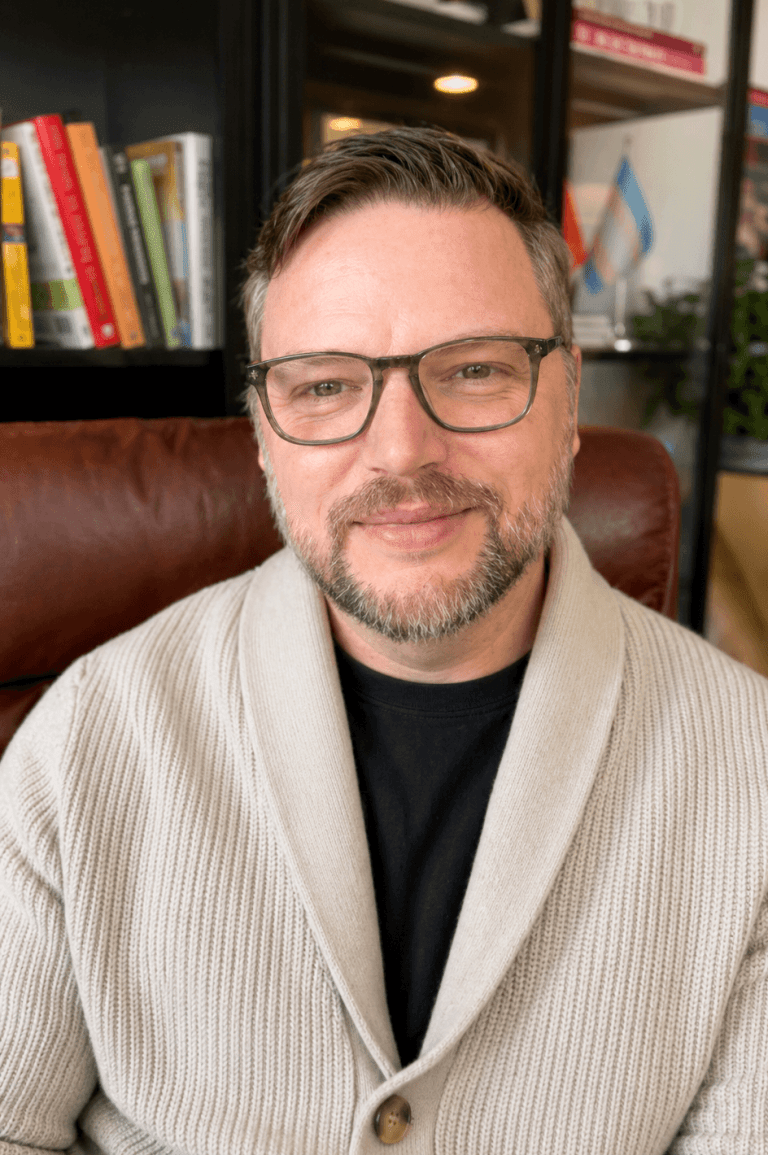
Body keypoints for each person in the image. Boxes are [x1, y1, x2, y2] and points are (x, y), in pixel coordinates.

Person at [1, 127, 768, 1155]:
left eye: (477, 370)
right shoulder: (85, 738)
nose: (402, 452)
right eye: (324, 385)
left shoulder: (753, 774)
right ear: (265, 431)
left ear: (570, 398)